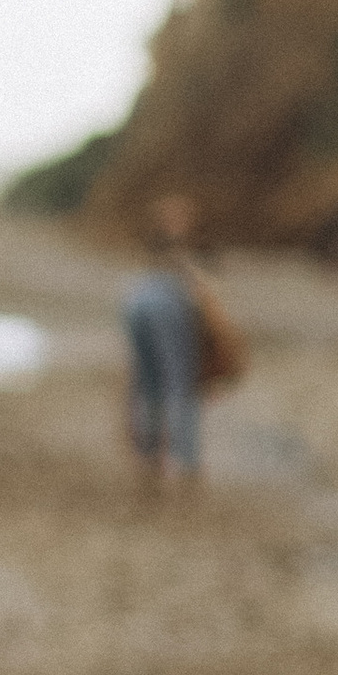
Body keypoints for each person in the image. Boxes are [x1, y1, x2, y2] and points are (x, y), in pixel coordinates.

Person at [122, 195, 213, 488]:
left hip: (138, 297)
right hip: (165, 302)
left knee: (147, 383)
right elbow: (195, 282)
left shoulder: (155, 243)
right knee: (178, 383)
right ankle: (182, 463)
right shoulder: (184, 244)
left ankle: (148, 457)